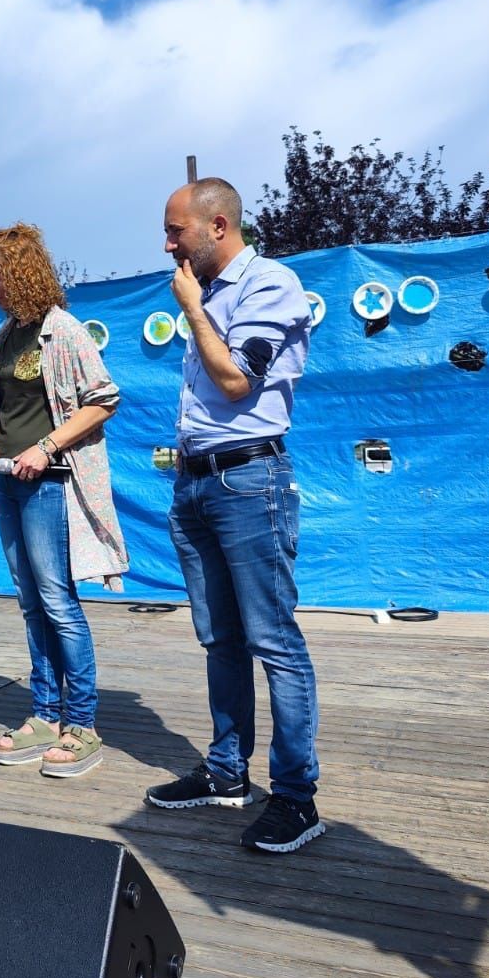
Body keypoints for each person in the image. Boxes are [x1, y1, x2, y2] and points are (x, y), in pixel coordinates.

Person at [144, 176, 325, 854]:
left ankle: (297, 798)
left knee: (273, 641)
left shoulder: (269, 284)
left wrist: (193, 308)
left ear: (217, 226)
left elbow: (235, 381)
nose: (168, 245)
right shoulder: (215, 294)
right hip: (195, 484)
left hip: (251, 481)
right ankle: (226, 774)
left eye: (176, 231)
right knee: (220, 639)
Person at [0, 223, 128, 779]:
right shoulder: (6, 334)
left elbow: (103, 399)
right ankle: (44, 714)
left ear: (18, 275)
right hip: (7, 480)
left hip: (50, 483)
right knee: (30, 602)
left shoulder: (62, 330)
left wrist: (44, 447)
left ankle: (82, 725)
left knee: (57, 601)